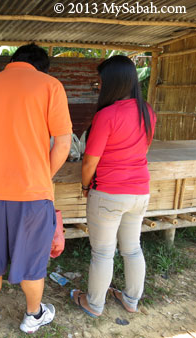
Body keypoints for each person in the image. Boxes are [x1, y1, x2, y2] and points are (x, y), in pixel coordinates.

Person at [0, 43, 72, 337]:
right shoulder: (51, 86)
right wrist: (41, 176)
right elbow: (63, 143)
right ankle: (32, 316)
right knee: (32, 261)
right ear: (42, 67)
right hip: (33, 193)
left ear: (12, 62)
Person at [72, 55, 156, 317]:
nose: (99, 86)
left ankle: (94, 304)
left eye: (101, 82)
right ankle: (131, 300)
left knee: (103, 253)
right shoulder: (148, 112)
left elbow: (89, 162)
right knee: (132, 248)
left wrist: (86, 186)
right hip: (140, 192)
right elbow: (144, 150)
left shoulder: (107, 115)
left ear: (113, 83)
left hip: (108, 193)